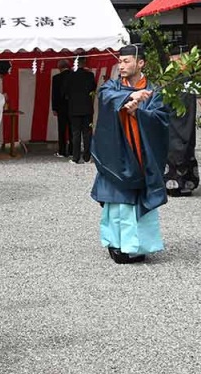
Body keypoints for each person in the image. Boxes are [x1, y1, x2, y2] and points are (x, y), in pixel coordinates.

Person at [91, 44, 169, 264]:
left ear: (140, 63)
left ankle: (139, 245)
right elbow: (106, 97)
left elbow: (162, 120)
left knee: (135, 204)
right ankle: (116, 244)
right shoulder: (112, 87)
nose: (121, 65)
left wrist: (139, 112)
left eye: (126, 61)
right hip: (117, 157)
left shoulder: (154, 91)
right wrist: (130, 97)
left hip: (141, 156)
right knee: (117, 204)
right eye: (120, 61)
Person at [164, 45, 199, 197]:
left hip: (187, 120)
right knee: (173, 151)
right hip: (172, 120)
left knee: (186, 149)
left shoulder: (191, 78)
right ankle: (173, 185)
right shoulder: (167, 79)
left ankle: (186, 184)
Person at [64, 55, 97, 164]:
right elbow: (93, 89)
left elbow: (65, 91)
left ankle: (75, 157)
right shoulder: (90, 75)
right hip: (87, 107)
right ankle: (87, 157)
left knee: (75, 133)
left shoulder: (70, 76)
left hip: (74, 107)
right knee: (87, 133)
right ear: (84, 62)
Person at [52, 59, 72, 157]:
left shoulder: (56, 78)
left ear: (59, 67)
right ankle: (73, 150)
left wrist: (54, 108)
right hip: (73, 107)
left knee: (62, 130)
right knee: (73, 130)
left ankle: (62, 151)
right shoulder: (74, 76)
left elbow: (54, 95)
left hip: (61, 107)